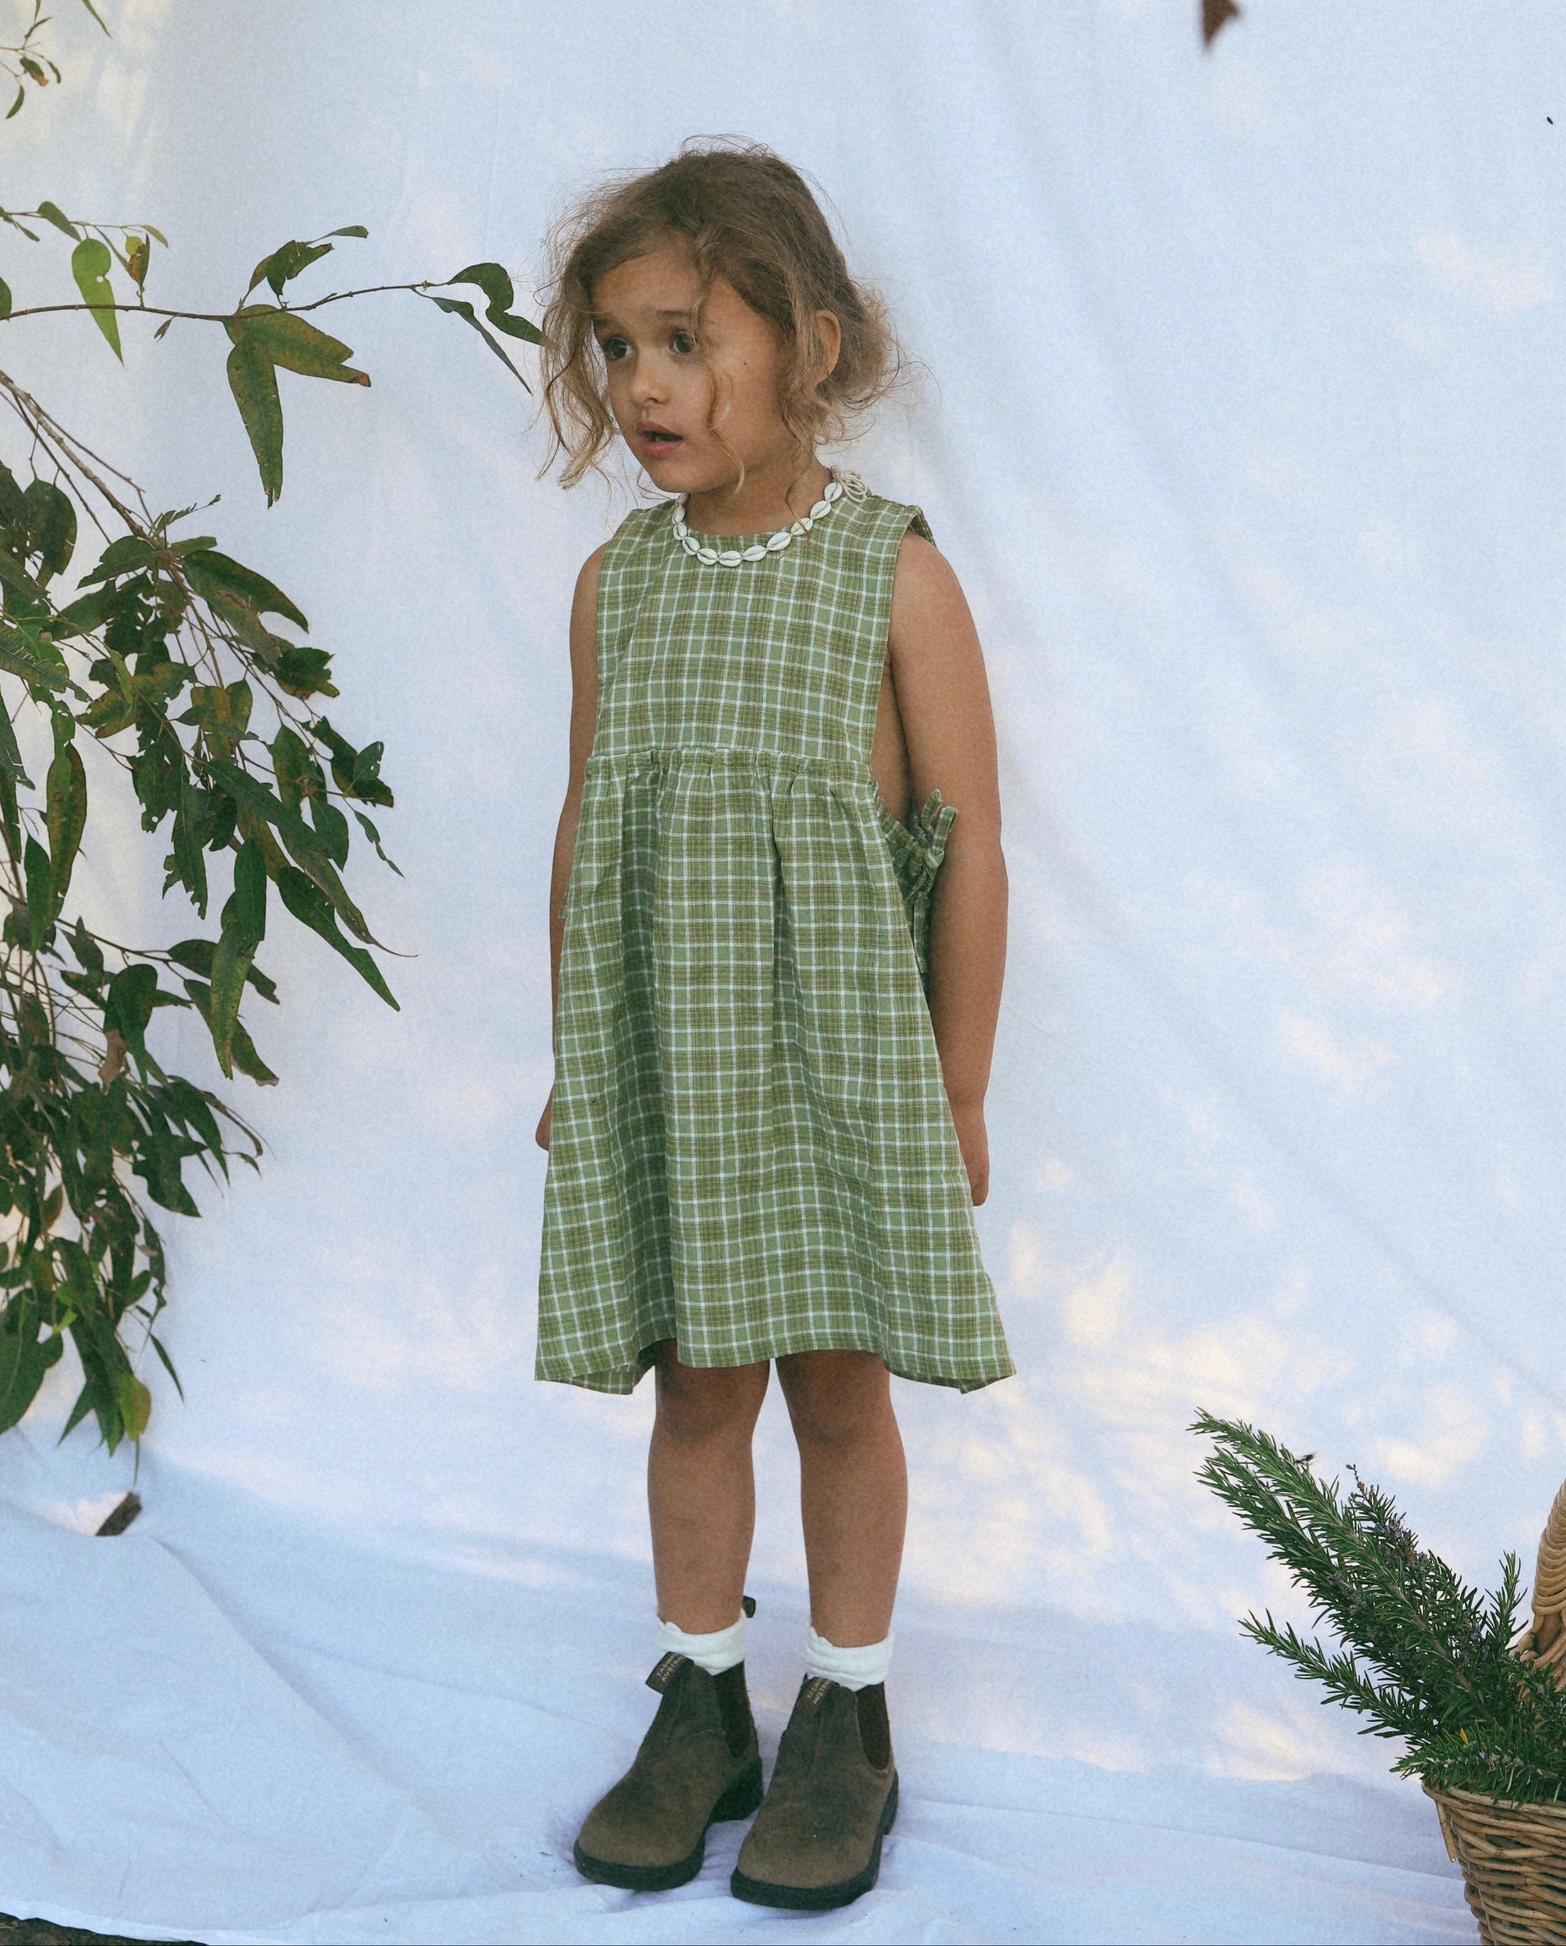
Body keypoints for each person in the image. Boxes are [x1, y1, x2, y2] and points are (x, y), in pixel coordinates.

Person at [531, 138, 1014, 1912]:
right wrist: (579, 1060)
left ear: (807, 343)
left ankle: (848, 1715)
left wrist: (957, 1087)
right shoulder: (621, 582)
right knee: (694, 1390)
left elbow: (967, 847)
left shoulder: (892, 576)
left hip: (834, 1076)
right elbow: (590, 828)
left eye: (683, 339)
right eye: (616, 348)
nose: (642, 386)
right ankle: (699, 1701)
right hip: (677, 1065)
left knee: (837, 1392)